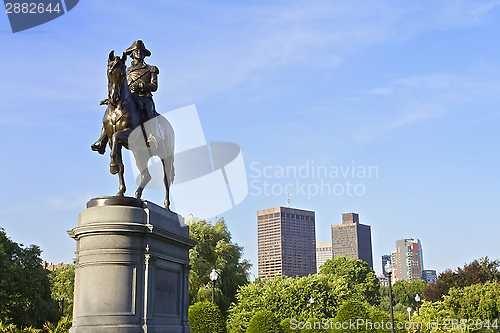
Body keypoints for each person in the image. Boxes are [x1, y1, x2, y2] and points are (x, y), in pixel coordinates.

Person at [92, 40, 159, 154]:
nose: (138, 53)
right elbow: (122, 85)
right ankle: (102, 140)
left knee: (148, 108)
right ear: (132, 54)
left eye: (141, 51)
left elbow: (154, 86)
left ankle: (151, 136)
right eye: (136, 51)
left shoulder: (151, 69)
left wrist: (140, 85)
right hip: (130, 97)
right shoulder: (127, 70)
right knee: (110, 110)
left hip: (144, 97)